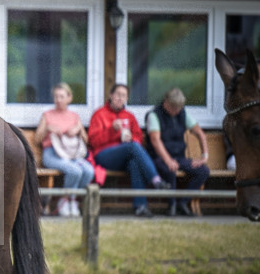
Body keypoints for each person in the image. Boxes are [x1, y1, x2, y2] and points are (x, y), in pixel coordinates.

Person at [88, 83, 171, 217]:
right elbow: (93, 141)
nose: (120, 98)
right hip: (103, 156)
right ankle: (156, 179)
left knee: (134, 163)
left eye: (124, 96)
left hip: (125, 156)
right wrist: (111, 131)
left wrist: (132, 138)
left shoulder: (129, 116)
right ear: (111, 95)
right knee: (132, 147)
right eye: (118, 95)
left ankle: (140, 206)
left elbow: (138, 137)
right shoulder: (99, 114)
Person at [145, 88, 210, 216]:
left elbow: (200, 134)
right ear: (165, 102)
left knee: (203, 171)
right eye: (173, 108)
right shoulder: (153, 115)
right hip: (158, 157)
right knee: (170, 169)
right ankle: (171, 206)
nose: (176, 111)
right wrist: (168, 160)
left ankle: (183, 203)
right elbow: (155, 140)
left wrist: (204, 156)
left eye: (179, 108)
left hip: (179, 157)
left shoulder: (183, 113)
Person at [34, 82, 94, 216]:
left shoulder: (74, 116)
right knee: (75, 171)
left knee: (89, 171)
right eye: (56, 97)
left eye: (61, 96)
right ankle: (65, 202)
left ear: (69, 98)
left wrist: (78, 130)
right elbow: (37, 140)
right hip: (52, 153)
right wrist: (47, 129)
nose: (58, 100)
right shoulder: (47, 115)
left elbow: (86, 141)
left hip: (71, 154)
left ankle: (71, 200)